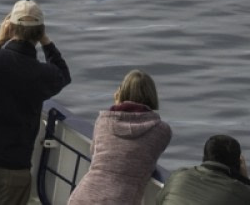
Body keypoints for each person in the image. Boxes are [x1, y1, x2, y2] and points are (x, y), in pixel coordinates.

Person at [0, 0, 71, 205]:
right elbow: (63, 74)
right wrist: (46, 42)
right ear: (39, 33)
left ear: (9, 27)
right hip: (15, 164)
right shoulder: (42, 74)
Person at [66, 70, 172, 205]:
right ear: (152, 96)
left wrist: (117, 106)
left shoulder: (103, 121)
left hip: (83, 196)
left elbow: (95, 153)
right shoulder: (161, 130)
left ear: (120, 93)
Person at [157, 135, 250, 205]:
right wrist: (245, 180)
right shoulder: (242, 193)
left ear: (205, 156)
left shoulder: (179, 175)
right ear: (238, 164)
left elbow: (159, 201)